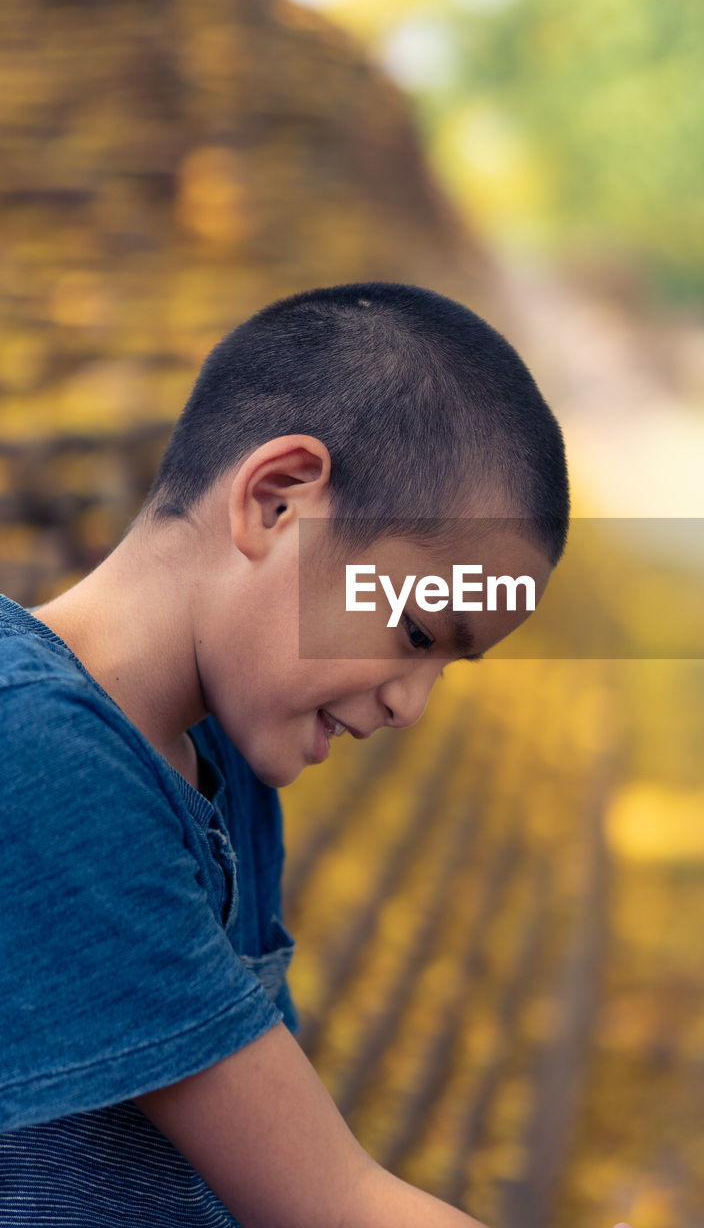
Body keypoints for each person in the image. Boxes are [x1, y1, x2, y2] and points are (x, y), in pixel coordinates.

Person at [0, 282, 569, 1227]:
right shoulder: (37, 753)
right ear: (275, 500)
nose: (411, 705)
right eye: (421, 635)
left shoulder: (224, 761)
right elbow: (327, 1203)